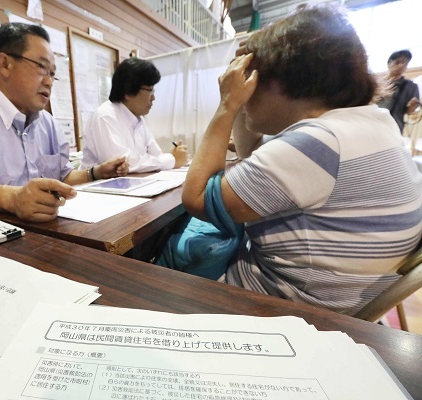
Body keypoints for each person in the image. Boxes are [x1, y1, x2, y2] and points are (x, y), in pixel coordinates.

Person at [177, 4, 422, 315]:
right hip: (342, 298)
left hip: (280, 309)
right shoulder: (374, 123)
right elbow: (251, 155)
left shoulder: (317, 145)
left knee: (166, 247)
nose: (246, 92)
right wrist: (239, 105)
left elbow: (196, 197)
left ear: (281, 83)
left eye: (253, 81)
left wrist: (228, 103)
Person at [0, 23, 129, 222]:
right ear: (5, 64)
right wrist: (13, 198)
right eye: (42, 67)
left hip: (46, 231)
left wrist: (96, 172)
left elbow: (62, 177)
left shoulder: (47, 122)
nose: (49, 82)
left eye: (52, 73)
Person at [81, 58, 188, 173]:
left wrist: (173, 157)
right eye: (149, 91)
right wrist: (171, 159)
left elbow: (156, 155)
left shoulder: (138, 118)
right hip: (98, 188)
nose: (153, 98)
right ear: (128, 92)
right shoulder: (105, 116)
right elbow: (120, 163)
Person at [378, 49, 420, 133]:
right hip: (372, 122)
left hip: (394, 126)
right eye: (397, 62)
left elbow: (410, 112)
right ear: (389, 63)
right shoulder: (376, 83)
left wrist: (412, 107)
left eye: (405, 63)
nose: (401, 65)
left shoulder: (411, 86)